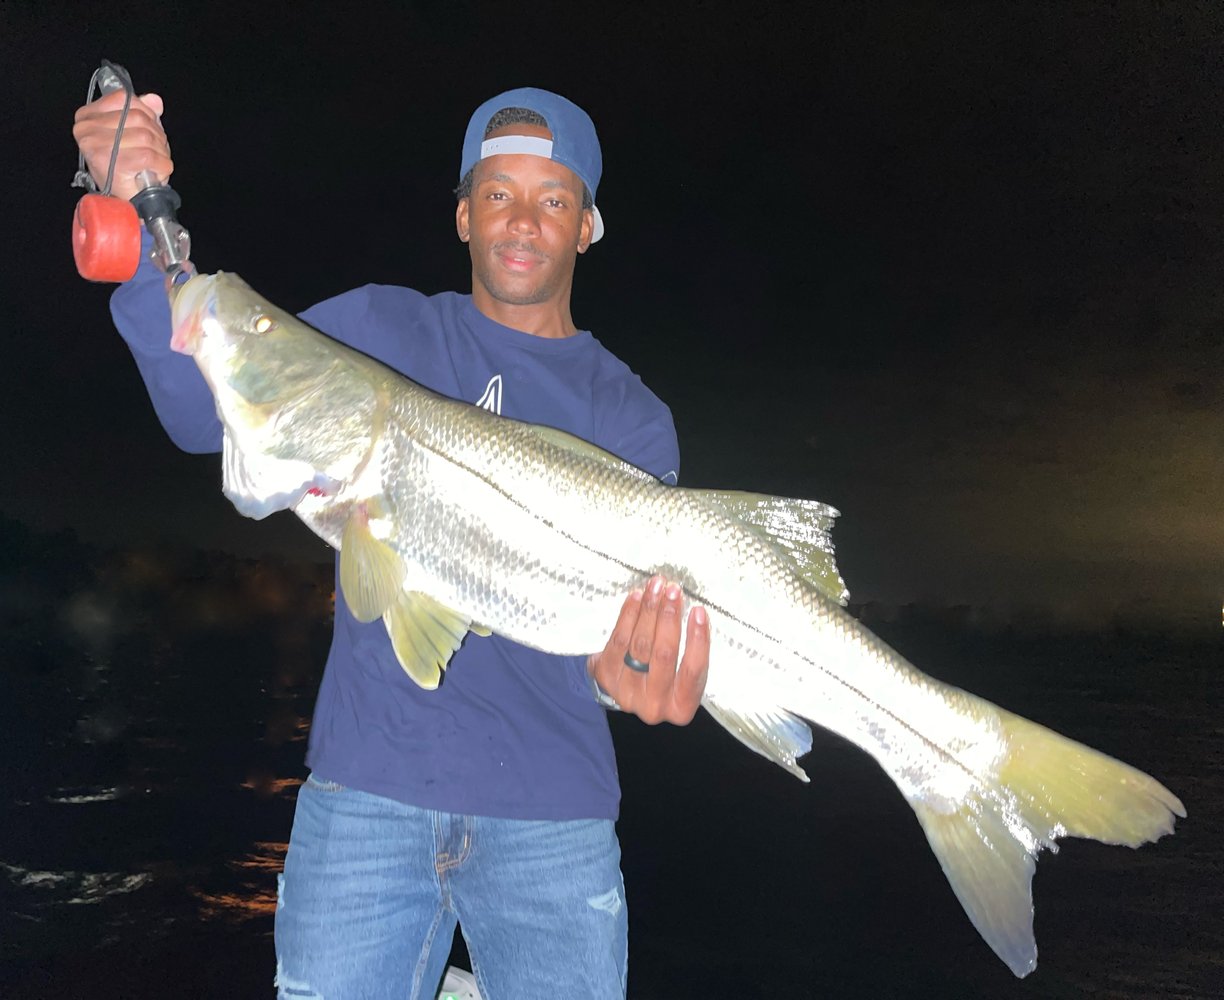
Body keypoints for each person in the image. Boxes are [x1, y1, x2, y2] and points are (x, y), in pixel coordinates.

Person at [73, 86, 711, 999]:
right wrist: (137, 218)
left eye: (553, 199)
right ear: (462, 213)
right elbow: (199, 405)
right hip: (367, 793)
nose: (523, 220)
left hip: (552, 816)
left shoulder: (632, 418)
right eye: (497, 193)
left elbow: (616, 665)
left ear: (587, 227)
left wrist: (632, 678)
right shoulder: (380, 329)